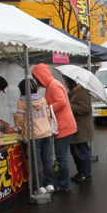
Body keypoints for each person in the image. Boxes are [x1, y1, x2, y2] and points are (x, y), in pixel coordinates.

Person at [32, 63, 77, 193]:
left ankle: (64, 185)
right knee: (61, 156)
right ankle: (63, 183)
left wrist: (48, 109)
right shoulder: (52, 84)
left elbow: (61, 102)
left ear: (41, 76)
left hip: (64, 126)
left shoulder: (53, 85)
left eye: (36, 78)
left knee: (61, 156)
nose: (36, 81)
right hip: (63, 125)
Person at [13, 79, 55, 194]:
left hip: (33, 135)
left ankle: (40, 185)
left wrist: (20, 131)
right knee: (47, 159)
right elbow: (48, 115)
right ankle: (50, 184)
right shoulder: (42, 99)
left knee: (35, 162)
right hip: (46, 132)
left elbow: (20, 119)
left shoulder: (22, 102)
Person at [64, 77, 93, 183]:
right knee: (75, 150)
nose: (66, 84)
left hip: (81, 126)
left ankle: (85, 174)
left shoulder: (81, 92)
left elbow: (86, 108)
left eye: (66, 81)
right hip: (75, 126)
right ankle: (81, 172)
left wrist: (71, 107)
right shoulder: (72, 92)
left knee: (82, 150)